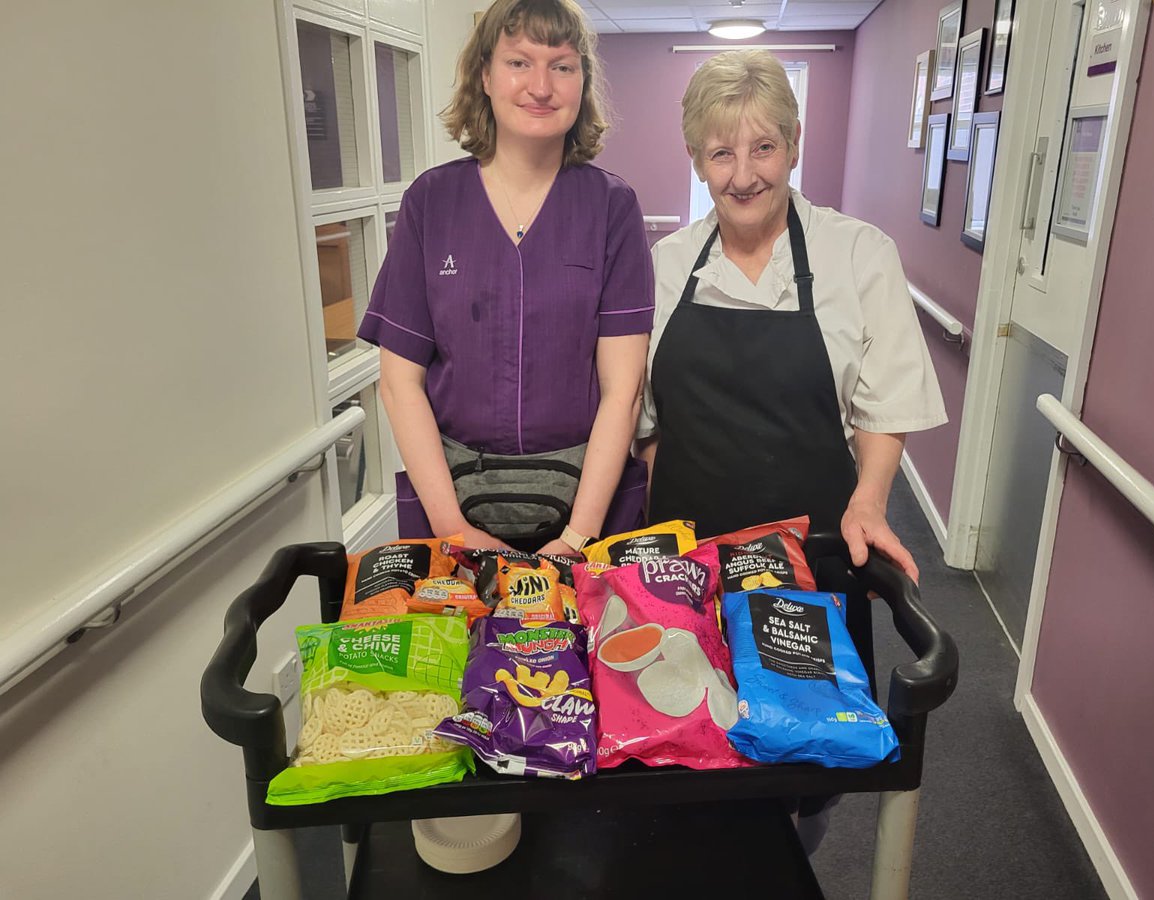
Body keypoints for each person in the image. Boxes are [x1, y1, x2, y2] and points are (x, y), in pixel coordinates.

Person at [639, 47, 947, 855]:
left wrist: (870, 500)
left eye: (763, 147)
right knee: (682, 732)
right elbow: (641, 418)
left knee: (804, 766)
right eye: (721, 152)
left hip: (807, 563)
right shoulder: (670, 265)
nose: (743, 175)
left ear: (796, 143)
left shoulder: (858, 255)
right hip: (688, 558)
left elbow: (886, 403)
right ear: (697, 159)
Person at [358, 0, 653, 555]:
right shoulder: (432, 202)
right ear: (485, 76)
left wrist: (575, 538)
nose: (541, 86)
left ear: (582, 82)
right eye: (519, 62)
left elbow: (623, 391)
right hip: (452, 499)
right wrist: (456, 531)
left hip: (584, 503)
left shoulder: (612, 206)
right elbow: (399, 384)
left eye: (562, 66)